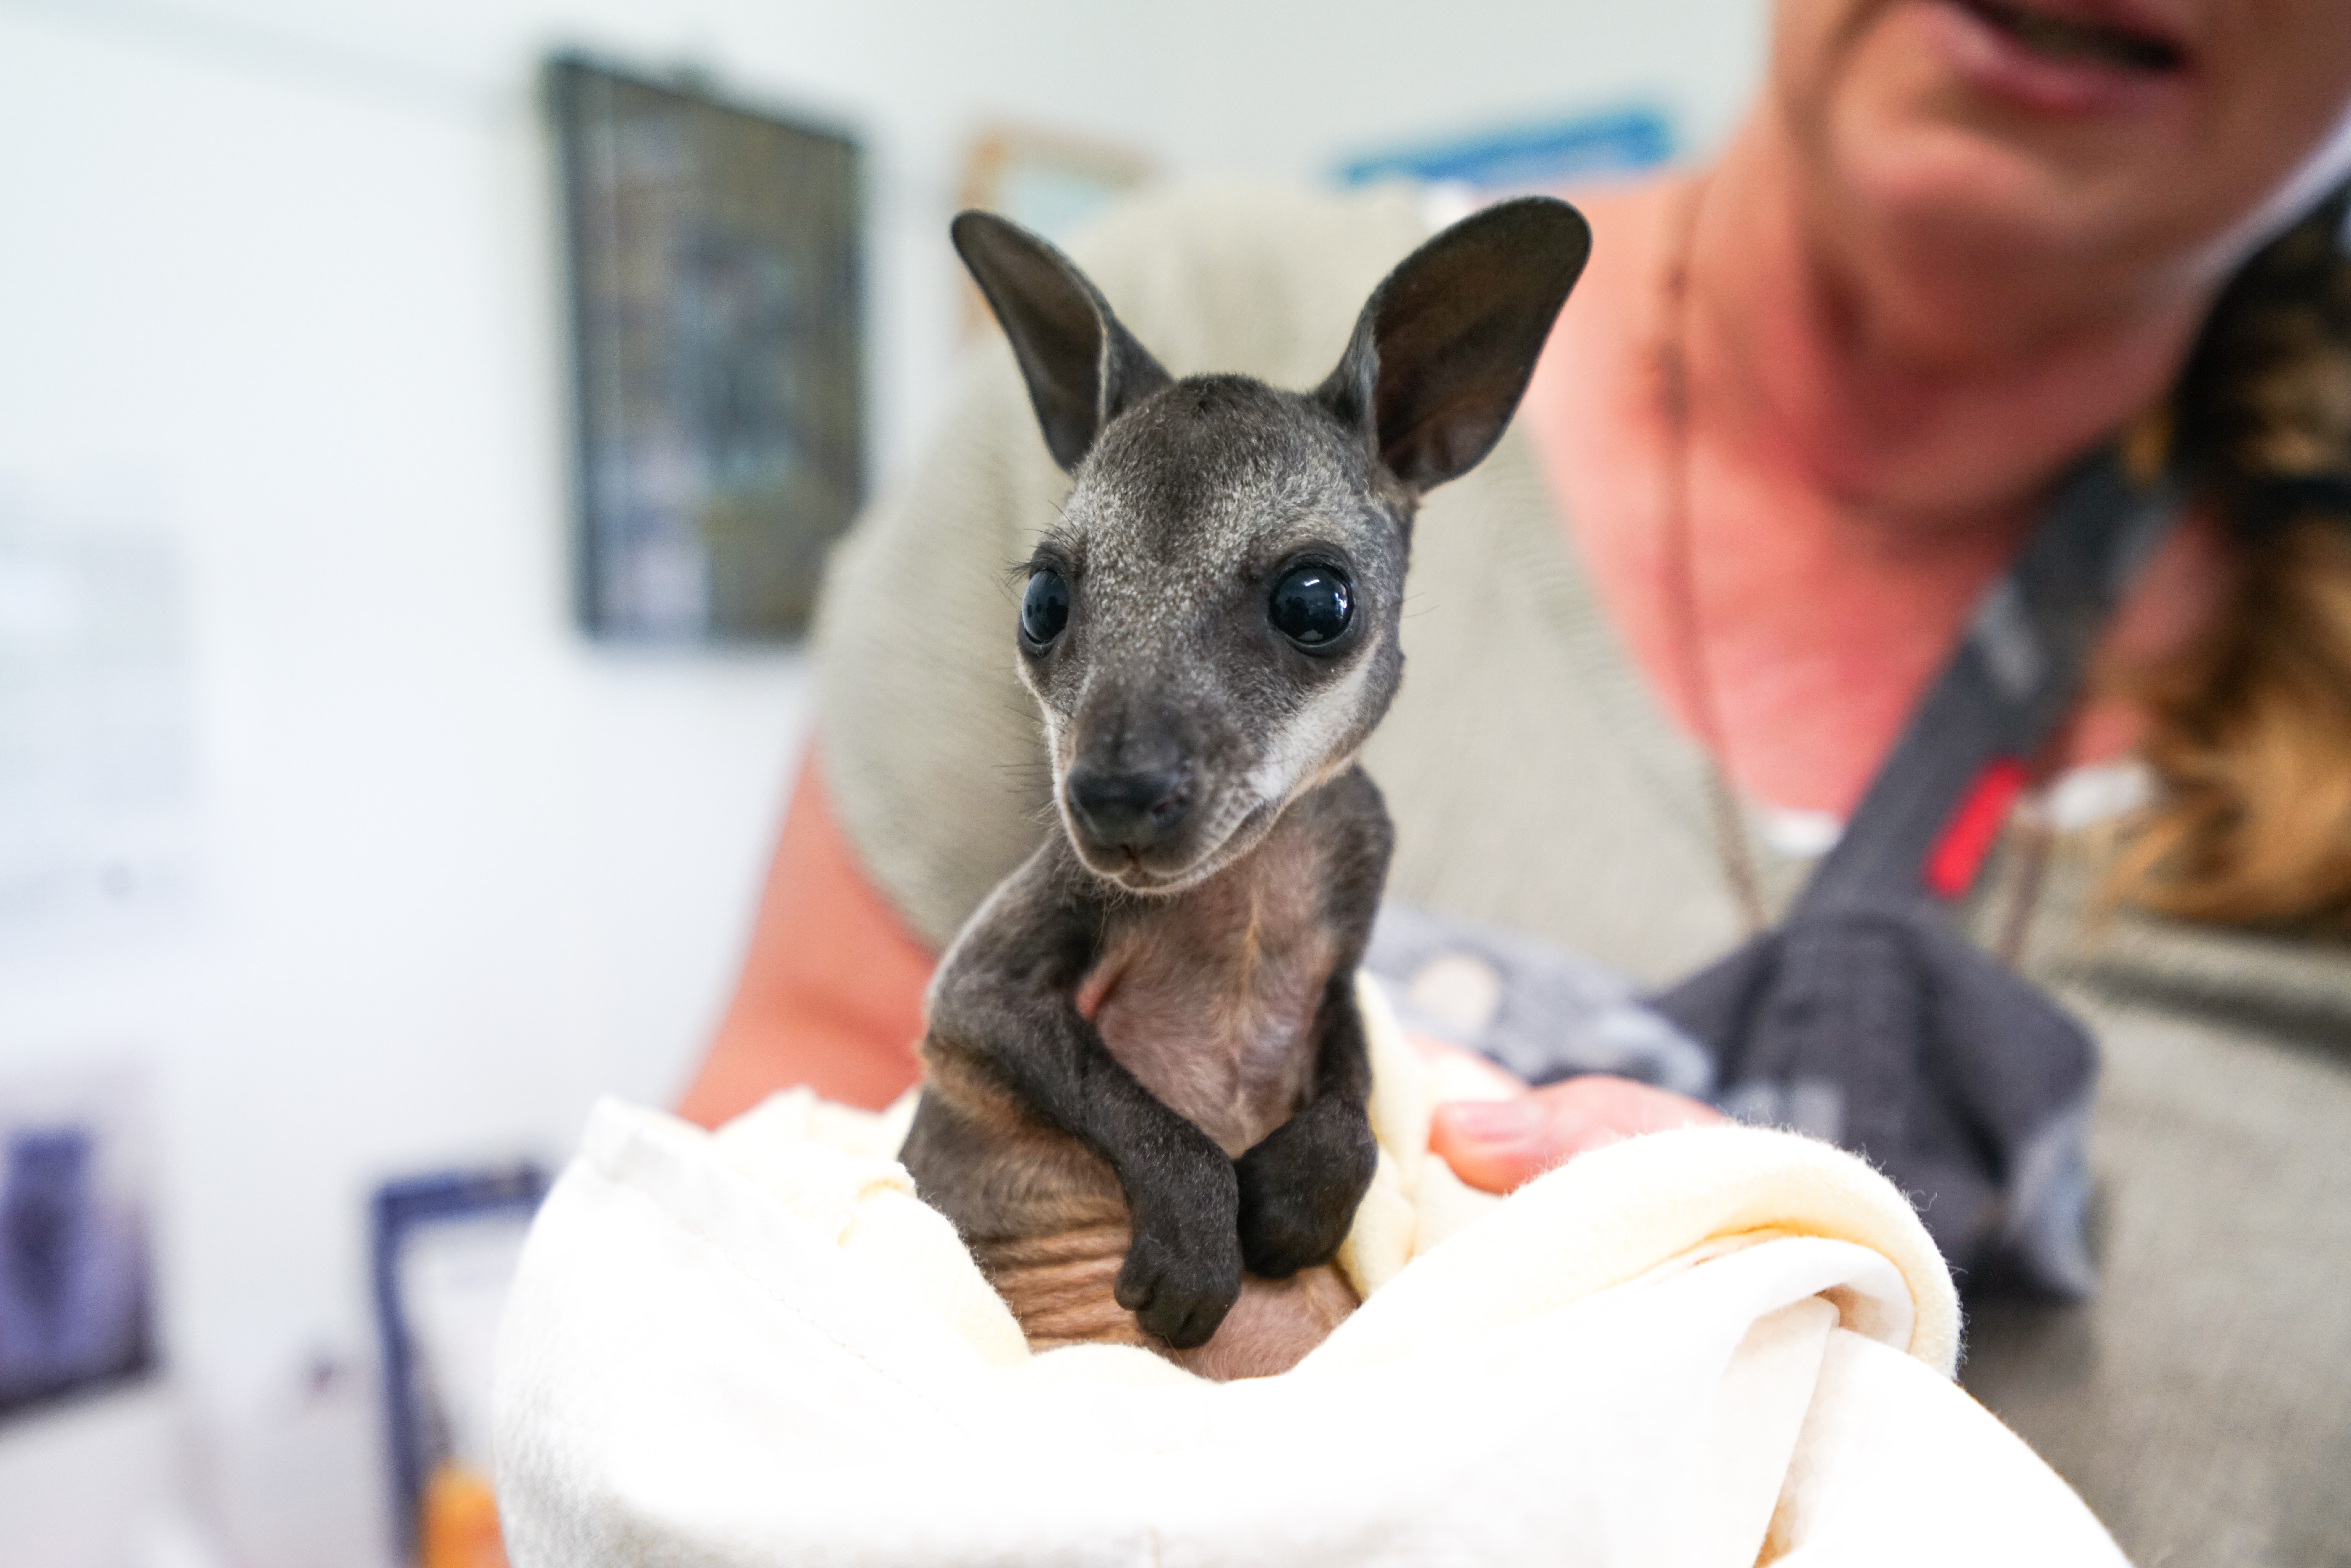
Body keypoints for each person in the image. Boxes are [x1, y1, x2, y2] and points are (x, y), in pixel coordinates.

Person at [684, 2, 2351, 1559]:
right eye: (1060, 616)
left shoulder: (1339, 789)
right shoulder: (1197, 312)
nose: (1135, 755)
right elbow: (770, 1231)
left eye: (1306, 613)